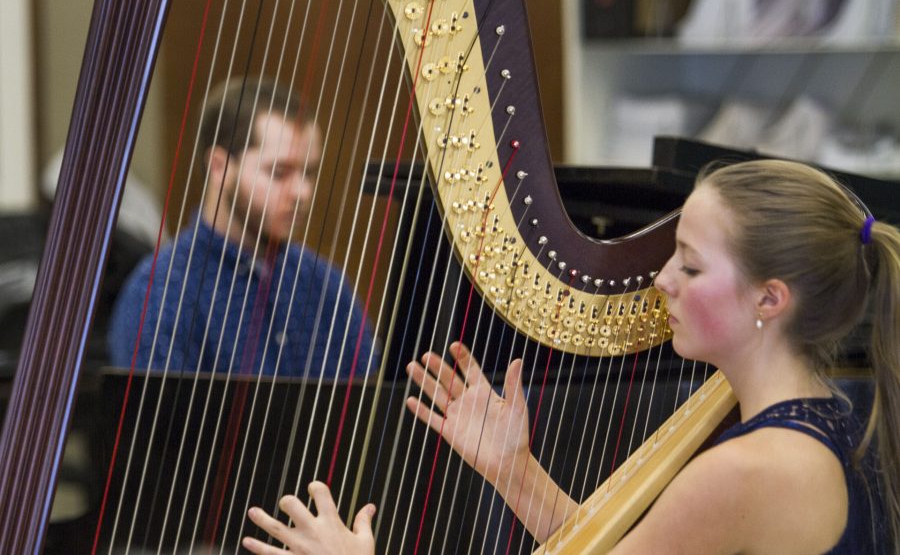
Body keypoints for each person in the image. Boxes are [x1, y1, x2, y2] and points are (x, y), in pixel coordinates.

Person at [241, 159, 899, 554]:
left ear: (770, 298)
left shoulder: (748, 470)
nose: (661, 279)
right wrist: (514, 471)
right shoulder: (826, 419)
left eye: (691, 267)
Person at [108, 77, 378, 379]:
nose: (302, 192)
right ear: (220, 166)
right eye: (279, 172)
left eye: (309, 172)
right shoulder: (160, 294)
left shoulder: (325, 285)